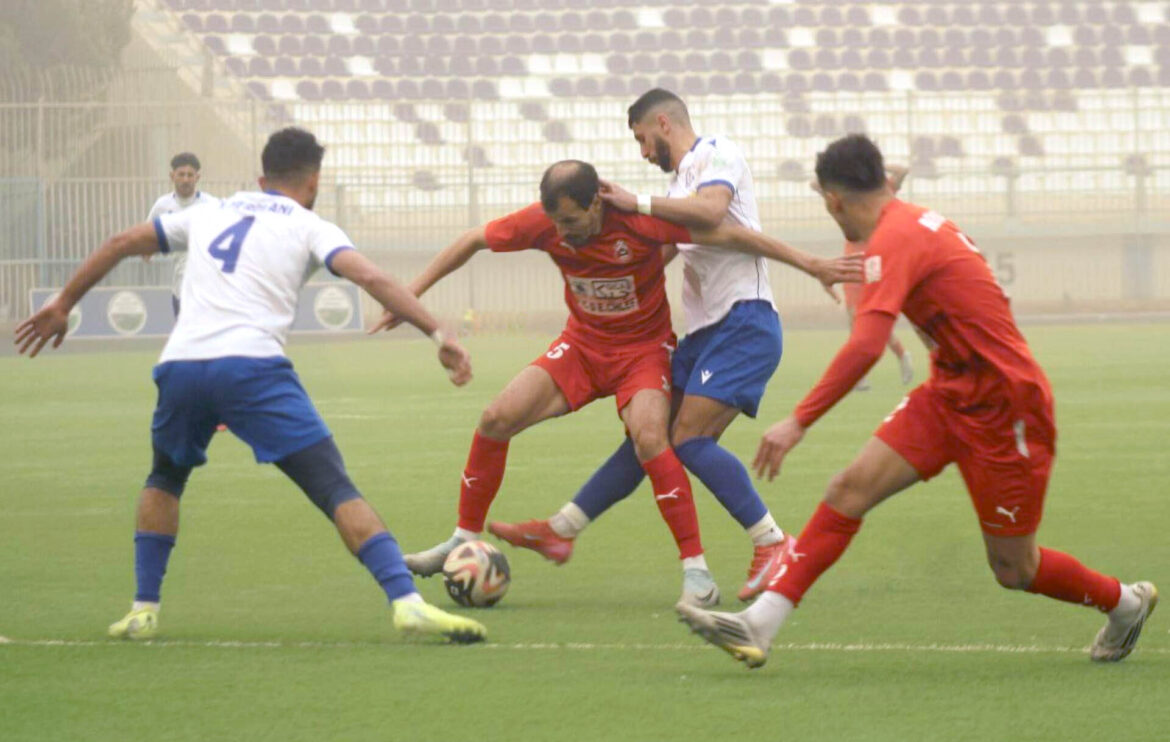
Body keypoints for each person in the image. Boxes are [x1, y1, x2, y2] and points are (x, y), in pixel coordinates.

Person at [675, 134, 1157, 668]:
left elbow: (866, 344)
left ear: (834, 201)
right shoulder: (907, 224)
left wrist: (798, 421)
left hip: (1007, 409)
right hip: (950, 394)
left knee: (1014, 569)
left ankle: (1126, 603)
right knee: (848, 489)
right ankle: (758, 625)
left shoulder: (896, 237)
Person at [15, 127, 487, 644]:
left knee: (165, 477)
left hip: (182, 366)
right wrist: (437, 333)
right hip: (251, 369)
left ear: (261, 178)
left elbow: (120, 243)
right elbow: (372, 279)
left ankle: (142, 609)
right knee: (333, 486)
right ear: (314, 181)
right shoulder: (311, 225)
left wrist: (63, 303)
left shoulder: (207, 212)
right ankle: (406, 601)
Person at [377, 160, 859, 606]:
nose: (562, 234)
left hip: (643, 354)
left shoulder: (639, 221)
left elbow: (733, 235)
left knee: (652, 438)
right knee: (495, 417)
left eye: (571, 221)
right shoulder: (545, 223)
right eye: (555, 223)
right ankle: (462, 539)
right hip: (582, 347)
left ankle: (696, 571)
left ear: (596, 204)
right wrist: (409, 295)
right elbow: (472, 240)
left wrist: (811, 263)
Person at [489, 89, 844, 603]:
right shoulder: (679, 184)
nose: (641, 152)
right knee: (649, 438)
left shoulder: (716, 154)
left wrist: (637, 202)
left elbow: (716, 215)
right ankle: (562, 529)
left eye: (641, 139)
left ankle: (773, 542)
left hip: (743, 322)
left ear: (662, 122)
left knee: (690, 442)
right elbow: (665, 250)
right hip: (705, 333)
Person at [828, 165, 914, 392]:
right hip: (854, 257)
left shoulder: (878, 190)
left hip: (871, 256)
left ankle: (897, 356)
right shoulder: (846, 191)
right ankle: (864, 373)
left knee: (867, 318)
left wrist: (878, 165)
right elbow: (816, 184)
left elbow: (903, 170)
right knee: (856, 319)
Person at [146, 152, 218, 317]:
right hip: (180, 288)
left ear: (197, 177)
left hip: (208, 289)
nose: (186, 179)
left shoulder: (211, 204)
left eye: (190, 175)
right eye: (181, 174)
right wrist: (147, 251)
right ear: (172, 176)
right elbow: (147, 236)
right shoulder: (162, 206)